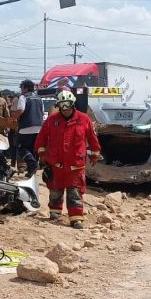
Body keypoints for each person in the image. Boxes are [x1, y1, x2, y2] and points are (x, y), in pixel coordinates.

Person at [34, 89, 101, 229]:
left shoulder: (84, 119)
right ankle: (55, 213)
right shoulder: (52, 120)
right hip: (56, 164)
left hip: (75, 165)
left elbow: (92, 138)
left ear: (73, 104)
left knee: (75, 193)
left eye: (67, 105)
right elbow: (41, 138)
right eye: (62, 106)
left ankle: (76, 218)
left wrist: (95, 153)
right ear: (59, 105)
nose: (65, 109)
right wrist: (42, 155)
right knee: (55, 191)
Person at [12, 79, 44, 178]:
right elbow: (42, 112)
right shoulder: (39, 98)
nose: (21, 90)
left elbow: (21, 110)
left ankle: (32, 163)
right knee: (33, 149)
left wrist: (13, 117)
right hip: (39, 127)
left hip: (26, 127)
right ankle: (31, 171)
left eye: (22, 87)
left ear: (25, 88)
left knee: (22, 148)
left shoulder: (23, 97)